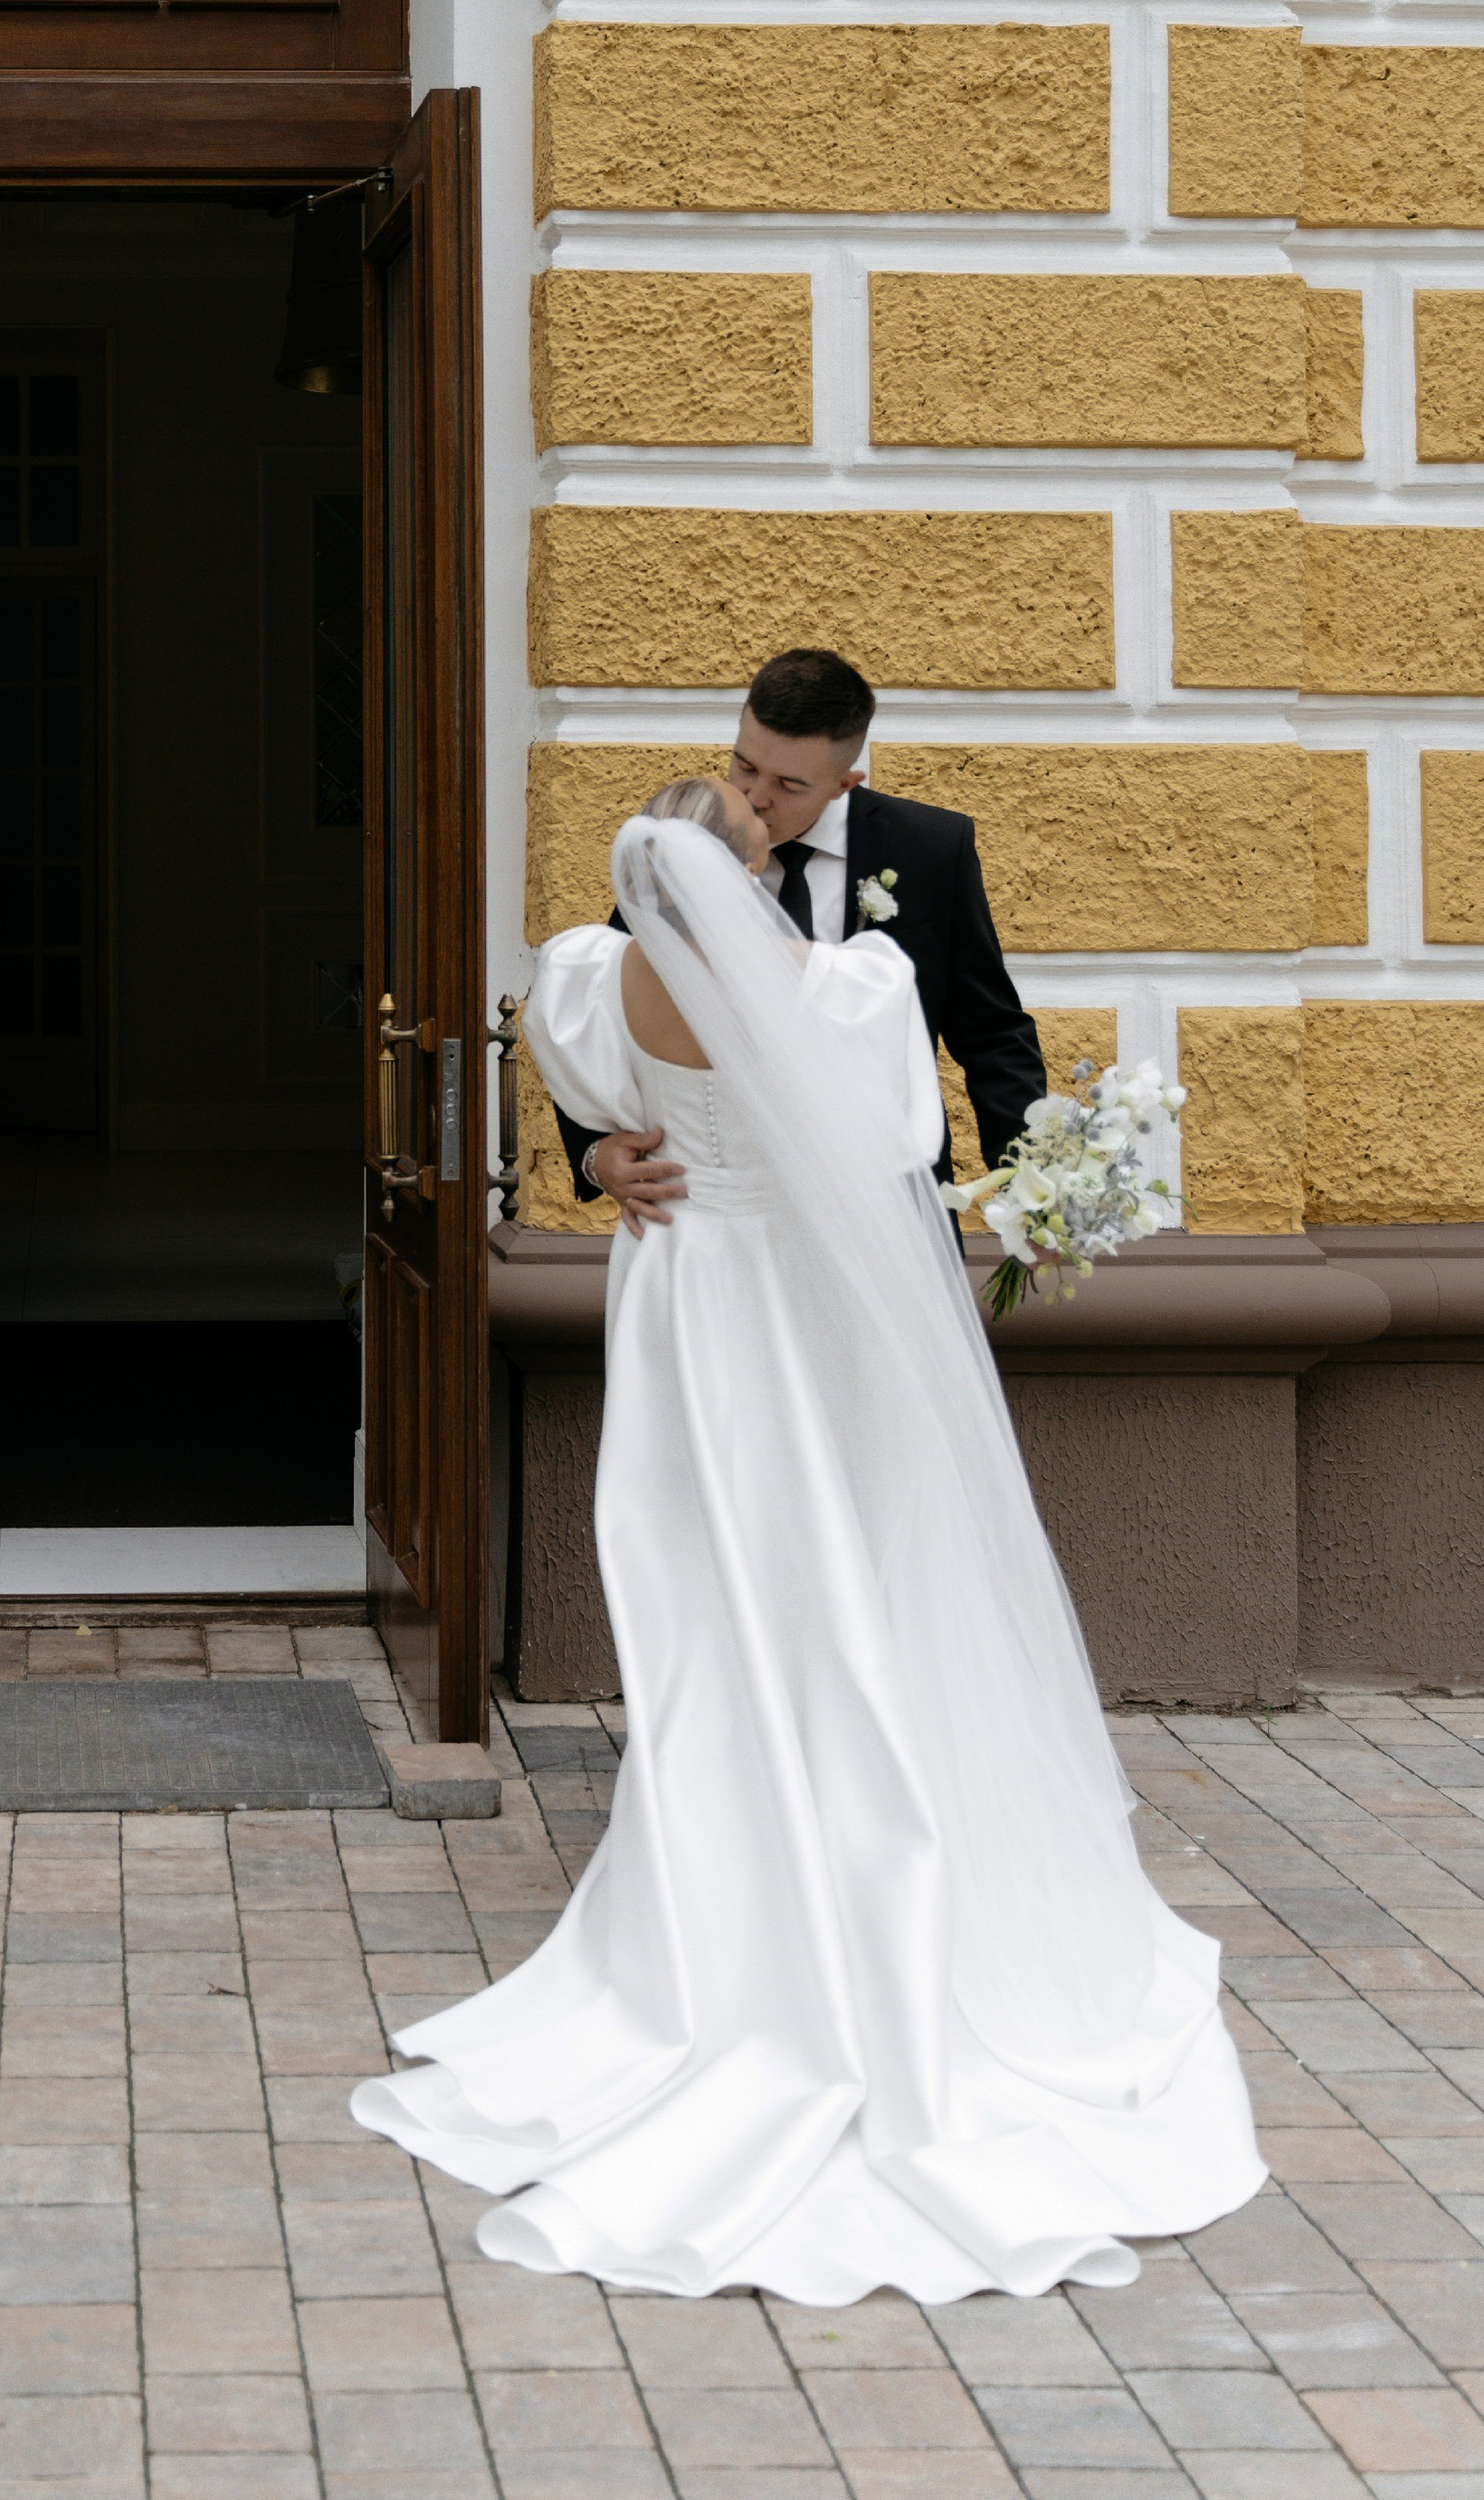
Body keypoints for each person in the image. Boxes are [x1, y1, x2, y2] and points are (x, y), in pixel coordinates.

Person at [351, 780, 1260, 2301]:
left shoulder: (588, 974)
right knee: (849, 1586)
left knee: (719, 1604)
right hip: (805, 1315)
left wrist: (606, 1155)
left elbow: (586, 1094)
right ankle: (864, 1870)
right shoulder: (848, 988)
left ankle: (726, 1881)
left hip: (687, 1308)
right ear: (750, 862)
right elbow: (896, 1135)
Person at [556, 647, 1045, 1236]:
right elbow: (605, 1006)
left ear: (846, 782)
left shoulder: (930, 849)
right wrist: (594, 1153)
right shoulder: (682, 842)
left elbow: (991, 1034)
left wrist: (1029, 1191)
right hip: (724, 1228)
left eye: (788, 783)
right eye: (744, 766)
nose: (756, 796)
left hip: (884, 1225)